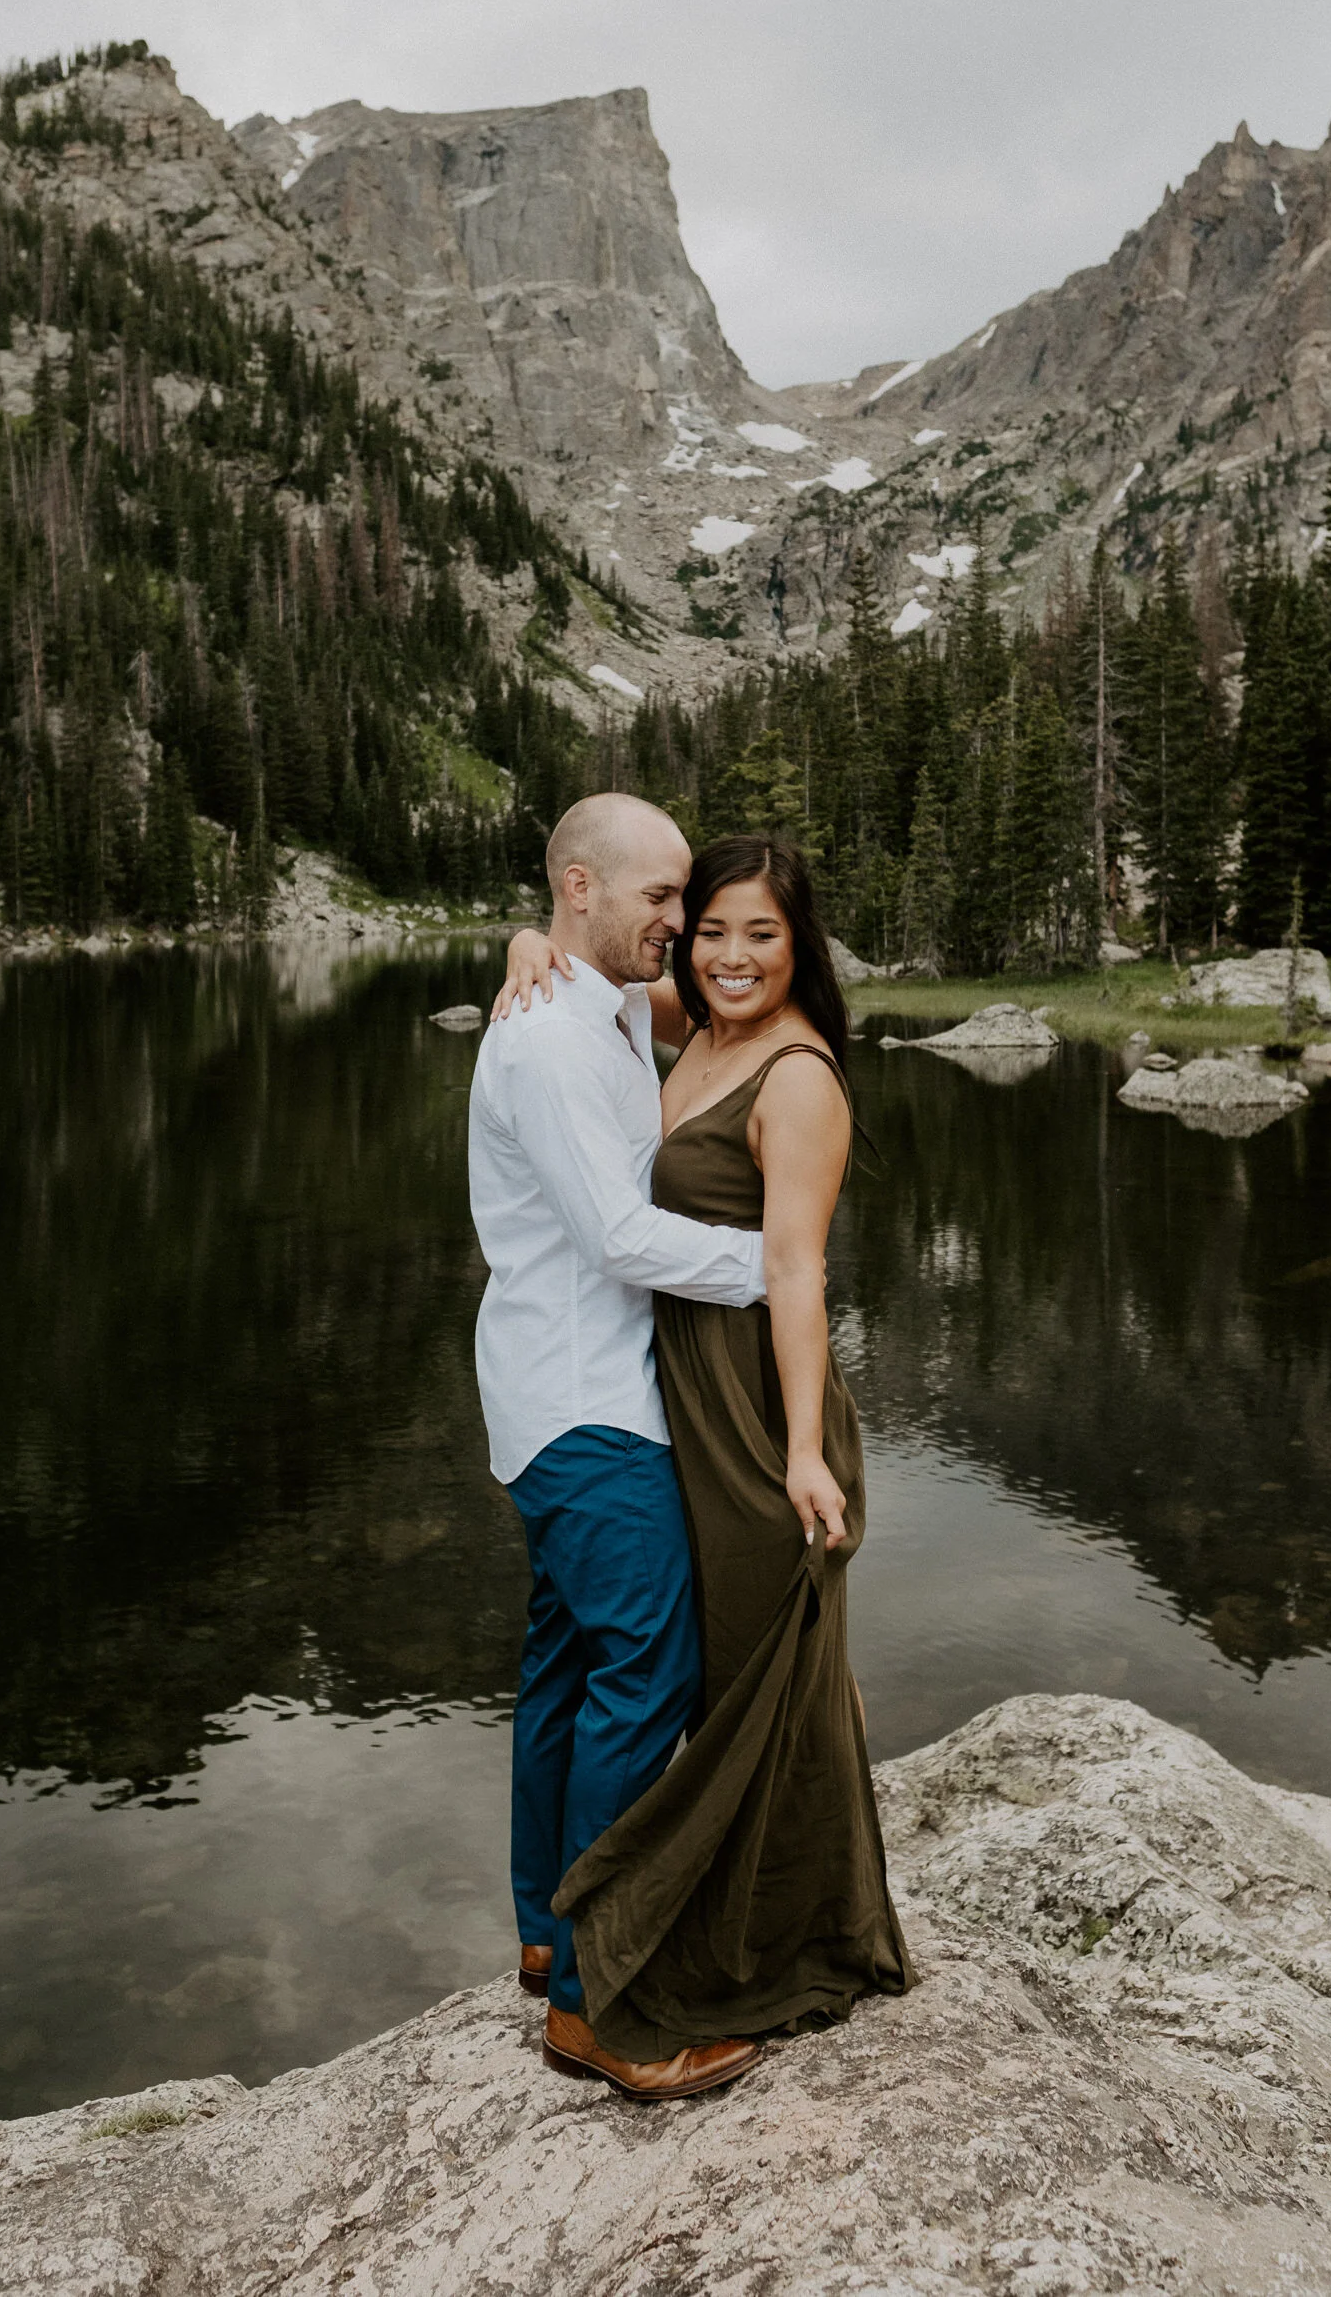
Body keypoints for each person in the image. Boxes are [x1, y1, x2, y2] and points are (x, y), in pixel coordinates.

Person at [495, 832, 914, 2065]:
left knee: (749, 1676)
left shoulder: (796, 1077)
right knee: (718, 1670)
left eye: (761, 935)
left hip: (750, 1415)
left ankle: (765, 1937)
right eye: (709, 926)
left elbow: (795, 1269)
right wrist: (528, 942)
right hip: (670, 1391)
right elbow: (594, 973)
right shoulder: (692, 1018)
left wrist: (802, 1452)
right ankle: (597, 1931)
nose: (726, 953)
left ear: (802, 948)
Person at [468, 793, 772, 2102]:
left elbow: (739, 991)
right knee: (645, 1674)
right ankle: (603, 2007)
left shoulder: (593, 1007)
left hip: (556, 1397)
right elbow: (618, 1241)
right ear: (581, 888)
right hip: (590, 1411)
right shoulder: (546, 1048)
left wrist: (519, 945)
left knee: (567, 1664)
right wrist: (781, 1267)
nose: (679, 924)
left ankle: (545, 1931)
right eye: (659, 900)